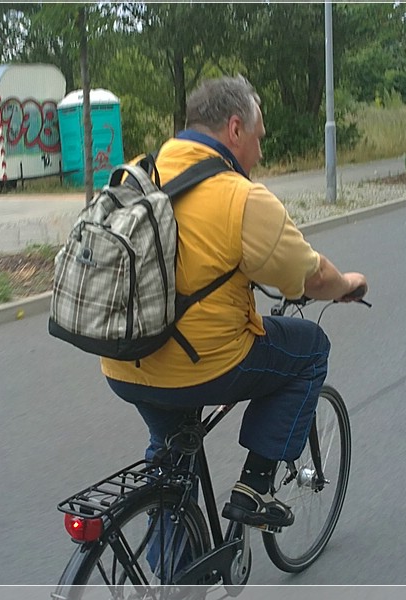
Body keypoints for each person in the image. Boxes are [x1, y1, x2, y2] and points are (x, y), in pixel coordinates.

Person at [101, 75, 367, 529]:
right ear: (235, 129)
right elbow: (312, 276)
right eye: (258, 138)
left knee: (170, 460)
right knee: (310, 349)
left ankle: (174, 565)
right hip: (204, 365)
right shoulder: (241, 197)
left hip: (123, 361)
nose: (260, 153)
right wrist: (347, 284)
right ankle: (255, 487)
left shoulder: (136, 175)